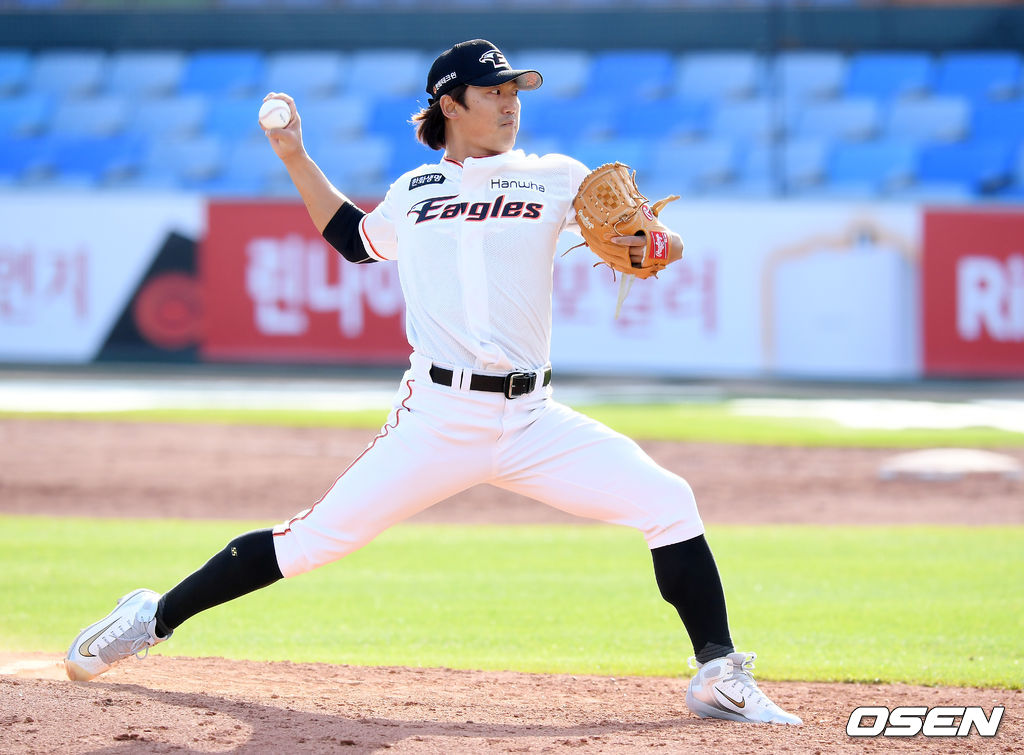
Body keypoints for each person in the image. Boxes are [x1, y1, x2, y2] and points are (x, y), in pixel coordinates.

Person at [65, 39, 801, 726]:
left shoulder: (556, 175)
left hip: (534, 418)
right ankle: (151, 617)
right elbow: (354, 239)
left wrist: (658, 242)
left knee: (667, 500)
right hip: (438, 418)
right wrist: (294, 154)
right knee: (309, 542)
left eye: (515, 91)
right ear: (450, 103)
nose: (511, 103)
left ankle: (718, 673)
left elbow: (644, 236)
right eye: (494, 91)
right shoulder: (414, 189)